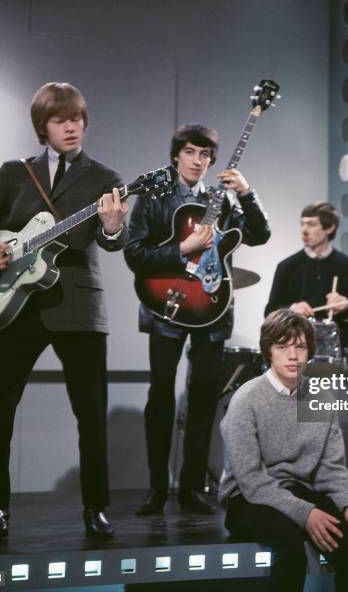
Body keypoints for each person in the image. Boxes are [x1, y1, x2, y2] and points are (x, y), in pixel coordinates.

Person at [0, 82, 128, 542]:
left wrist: (113, 228)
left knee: (91, 414)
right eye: (60, 119)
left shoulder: (105, 177)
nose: (71, 126)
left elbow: (114, 243)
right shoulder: (15, 173)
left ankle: (96, 509)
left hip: (79, 303)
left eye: (77, 118)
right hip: (18, 303)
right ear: (43, 127)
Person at [124, 124, 270, 515]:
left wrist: (247, 192)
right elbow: (134, 255)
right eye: (190, 152)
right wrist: (181, 248)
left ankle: (191, 488)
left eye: (204, 154)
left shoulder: (222, 199)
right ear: (176, 155)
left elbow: (260, 234)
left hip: (212, 308)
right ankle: (157, 488)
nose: (197, 160)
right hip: (165, 307)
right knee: (160, 396)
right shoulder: (156, 197)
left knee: (204, 397)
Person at [219, 309, 348, 592]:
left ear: (309, 351)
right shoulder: (246, 399)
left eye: (300, 347)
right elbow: (251, 480)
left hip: (299, 491)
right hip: (247, 500)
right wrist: (306, 513)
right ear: (268, 351)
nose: (293, 355)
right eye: (282, 346)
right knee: (290, 553)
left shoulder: (321, 399)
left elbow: (332, 468)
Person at [264, 201, 348, 488]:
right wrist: (291, 308)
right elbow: (270, 311)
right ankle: (295, 466)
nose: (305, 230)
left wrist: (344, 307)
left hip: (341, 345)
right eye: (303, 223)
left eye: (312, 224)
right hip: (299, 350)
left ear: (330, 228)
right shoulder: (287, 266)